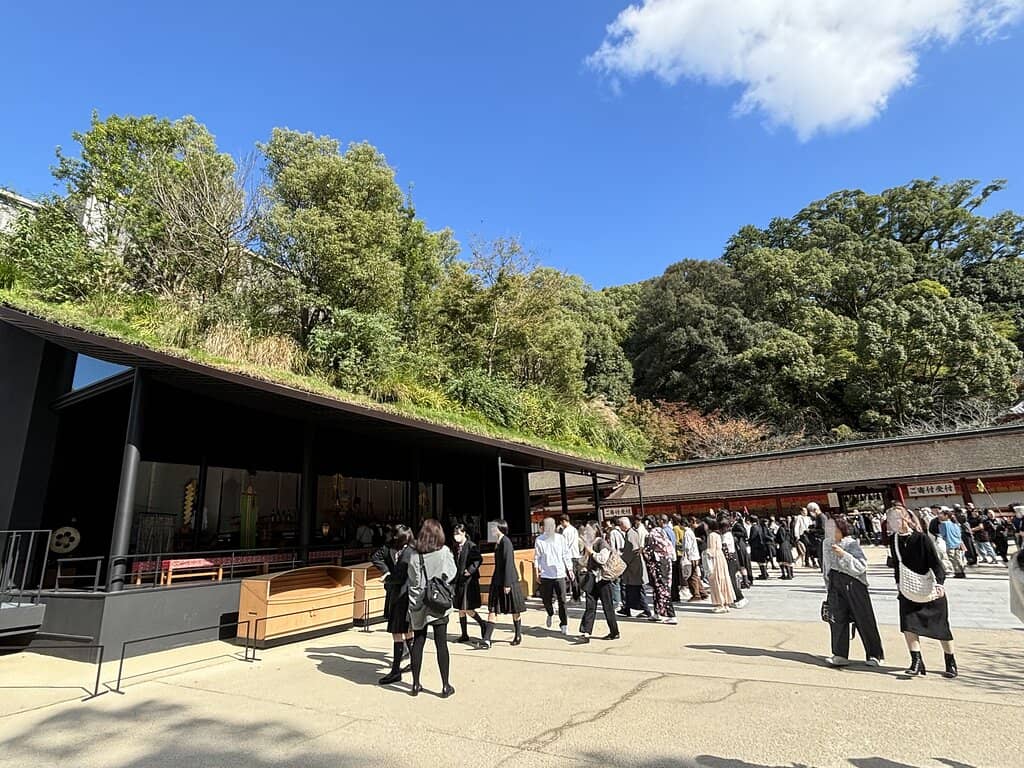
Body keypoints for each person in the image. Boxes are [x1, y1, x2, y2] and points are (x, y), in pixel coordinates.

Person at [888, 506, 958, 679]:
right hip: (907, 588)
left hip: (928, 587)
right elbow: (897, 564)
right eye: (889, 519)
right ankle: (916, 661)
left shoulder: (922, 538)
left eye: (895, 518)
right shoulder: (894, 540)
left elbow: (935, 563)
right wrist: (898, 583)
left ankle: (950, 661)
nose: (892, 522)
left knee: (941, 626)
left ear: (905, 519)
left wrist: (940, 583)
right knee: (908, 625)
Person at [822, 515, 884, 667]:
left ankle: (874, 654)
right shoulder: (826, 543)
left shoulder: (851, 543)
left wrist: (843, 554)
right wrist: (828, 586)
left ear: (841, 529)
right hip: (835, 583)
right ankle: (840, 654)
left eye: (832, 528)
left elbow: (861, 567)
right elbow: (826, 566)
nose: (829, 530)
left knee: (863, 618)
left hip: (853, 582)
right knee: (837, 618)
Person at [406, 519, 457, 698]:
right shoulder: (444, 552)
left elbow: (412, 580)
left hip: (419, 604)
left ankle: (415, 684)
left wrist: (415, 601)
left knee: (418, 642)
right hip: (438, 602)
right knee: (441, 644)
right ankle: (445, 685)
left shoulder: (413, 555)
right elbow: (452, 573)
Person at [371, 525, 414, 686]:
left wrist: (388, 578)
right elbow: (375, 557)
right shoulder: (389, 547)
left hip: (406, 593)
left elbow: (401, 576)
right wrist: (386, 571)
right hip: (396, 593)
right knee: (401, 630)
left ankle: (399, 669)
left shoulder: (410, 551)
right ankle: (404, 666)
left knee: (403, 631)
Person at [482, 519, 526, 648]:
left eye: (493, 528)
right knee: (493, 608)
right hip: (497, 580)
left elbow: (508, 563)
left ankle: (518, 634)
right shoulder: (498, 542)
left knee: (514, 609)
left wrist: (507, 583)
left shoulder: (506, 542)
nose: (491, 530)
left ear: (500, 528)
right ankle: (487, 639)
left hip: (509, 580)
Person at [577, 523, 620, 643]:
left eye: (589, 530)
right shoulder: (589, 545)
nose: (586, 532)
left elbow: (603, 559)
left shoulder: (602, 543)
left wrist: (592, 553)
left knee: (608, 607)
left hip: (603, 579)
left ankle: (614, 631)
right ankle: (585, 632)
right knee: (590, 606)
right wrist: (585, 555)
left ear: (595, 531)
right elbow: (583, 561)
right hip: (591, 578)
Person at [534, 517, 574, 635]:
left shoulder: (560, 539)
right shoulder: (539, 540)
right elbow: (537, 557)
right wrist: (537, 572)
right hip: (546, 574)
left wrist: (569, 569)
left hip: (559, 573)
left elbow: (566, 554)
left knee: (562, 600)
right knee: (546, 599)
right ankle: (550, 612)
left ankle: (564, 623)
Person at [451, 524, 486, 642]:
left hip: (469, 581)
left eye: (459, 534)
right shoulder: (456, 547)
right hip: (459, 580)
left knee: (467, 608)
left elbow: (478, 559)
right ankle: (464, 634)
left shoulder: (471, 546)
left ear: (464, 533)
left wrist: (470, 570)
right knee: (460, 608)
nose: (457, 537)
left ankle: (482, 623)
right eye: (455, 534)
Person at [617, 517, 652, 618]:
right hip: (634, 566)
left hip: (634, 567)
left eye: (620, 525)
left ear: (623, 525)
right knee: (630, 589)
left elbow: (632, 549)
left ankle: (646, 610)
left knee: (637, 589)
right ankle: (627, 608)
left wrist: (622, 559)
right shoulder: (632, 532)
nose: (620, 527)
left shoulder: (631, 534)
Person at [643, 524, 677, 624]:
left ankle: (671, 615)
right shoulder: (663, 535)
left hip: (658, 565)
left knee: (662, 589)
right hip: (665, 563)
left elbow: (648, 551)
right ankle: (657, 612)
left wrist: (642, 550)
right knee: (659, 589)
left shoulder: (651, 536)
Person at [706, 520, 736, 613]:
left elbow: (711, 550)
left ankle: (720, 603)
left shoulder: (711, 535)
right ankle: (726, 603)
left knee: (716, 580)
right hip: (721, 557)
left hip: (715, 558)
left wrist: (704, 554)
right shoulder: (718, 535)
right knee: (724, 579)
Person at [683, 518, 708, 602]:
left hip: (691, 557)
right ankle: (702, 592)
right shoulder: (691, 531)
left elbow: (687, 547)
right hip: (695, 556)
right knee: (695, 575)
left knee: (691, 576)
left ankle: (696, 594)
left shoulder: (687, 533)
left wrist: (686, 556)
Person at [558, 515, 582, 601]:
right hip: (576, 554)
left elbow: (565, 545)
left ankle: (575, 597)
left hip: (570, 556)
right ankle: (577, 595)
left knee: (572, 576)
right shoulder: (574, 529)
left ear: (564, 521)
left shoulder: (566, 531)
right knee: (576, 577)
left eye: (561, 522)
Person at [939, 511, 967, 579]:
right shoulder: (955, 524)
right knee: (958, 558)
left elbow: (943, 535)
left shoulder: (943, 524)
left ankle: (958, 572)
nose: (940, 516)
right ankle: (962, 571)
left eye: (941, 515)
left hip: (950, 543)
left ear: (946, 516)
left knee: (952, 558)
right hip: (957, 542)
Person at [748, 516, 771, 580]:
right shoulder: (759, 526)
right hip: (761, 545)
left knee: (760, 561)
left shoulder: (754, 527)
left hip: (756, 546)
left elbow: (752, 537)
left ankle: (764, 574)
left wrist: (748, 541)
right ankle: (765, 573)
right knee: (762, 560)